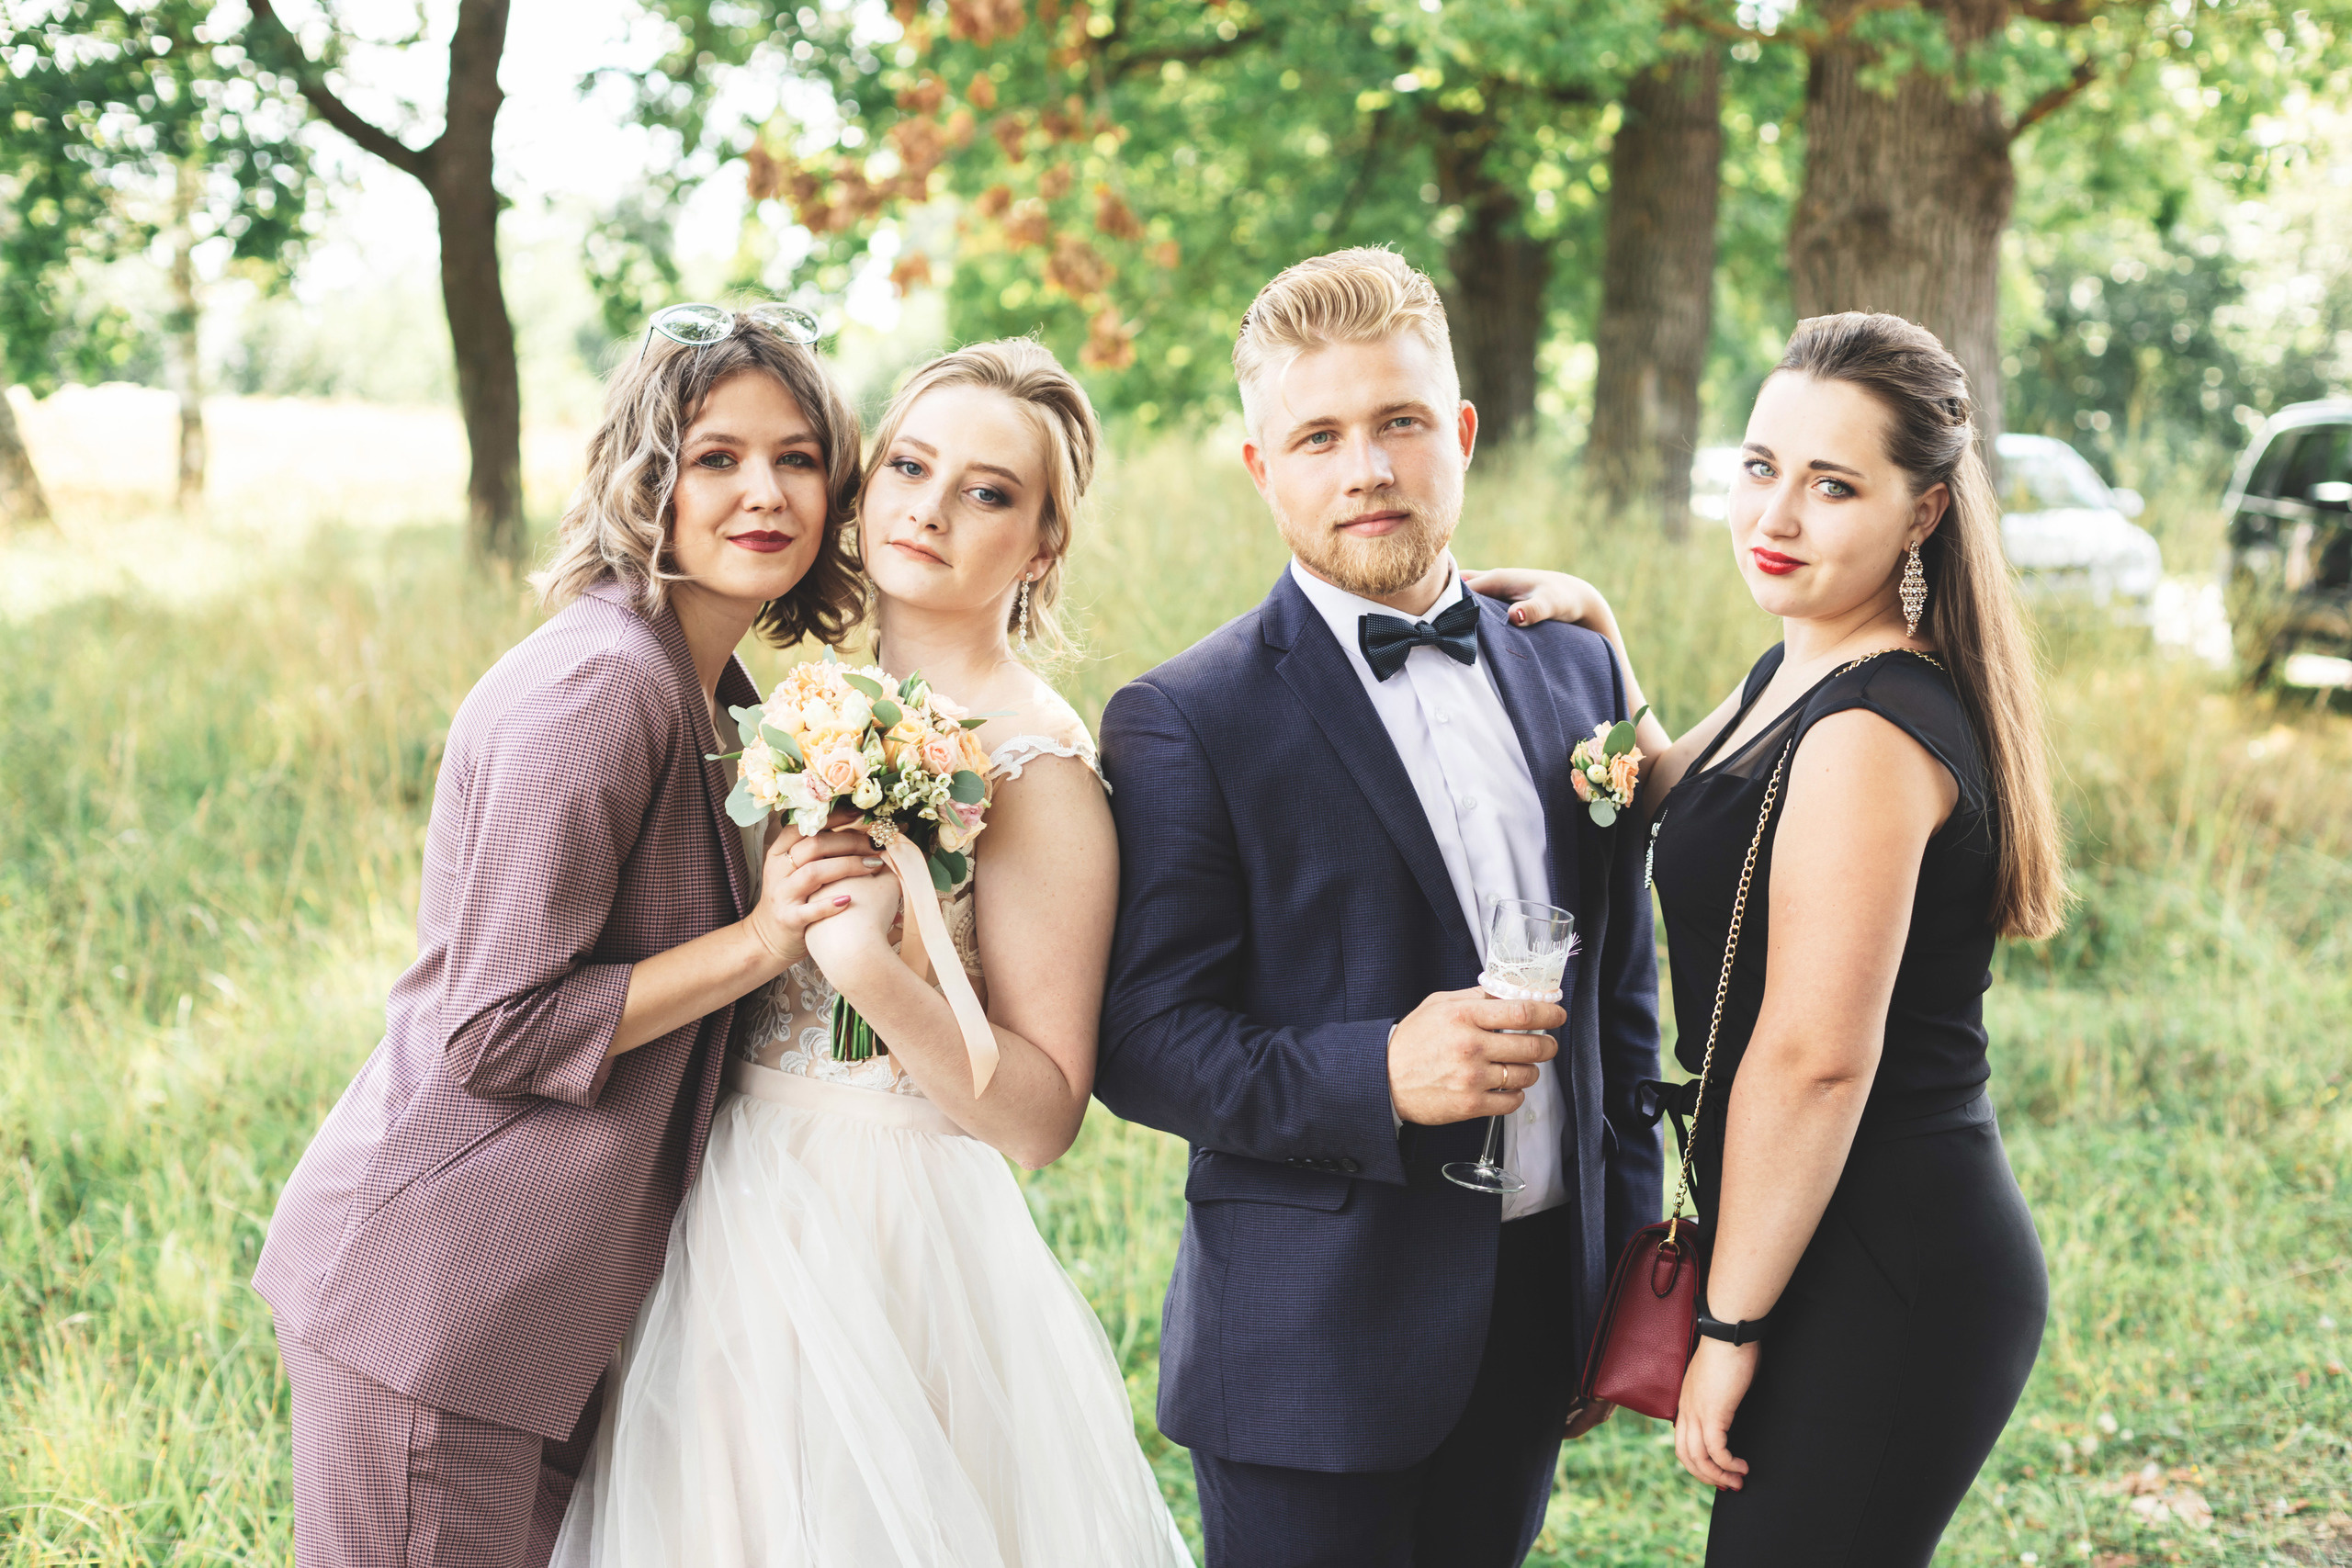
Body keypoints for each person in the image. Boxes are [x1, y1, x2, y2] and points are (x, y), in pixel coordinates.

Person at [253, 306, 887, 1567]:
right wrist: (764, 941)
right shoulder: (601, 684)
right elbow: (491, 1030)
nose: (763, 491)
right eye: (716, 458)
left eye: (798, 457)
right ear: (648, 480)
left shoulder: (716, 689)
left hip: (541, 1317)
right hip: (438, 1307)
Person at [552, 339, 1191, 1567]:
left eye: (989, 491)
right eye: (909, 465)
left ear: (1044, 540)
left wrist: (872, 977)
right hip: (729, 1206)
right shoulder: (811, 702)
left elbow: (1043, 1117)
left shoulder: (1038, 769)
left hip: (893, 1232)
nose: (931, 509)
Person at [1093, 248, 1665, 1568]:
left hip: (1536, 1312)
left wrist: (1615, 1262)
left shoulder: (1572, 657)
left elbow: (1624, 993)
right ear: (1263, 469)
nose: (1368, 469)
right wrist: (1382, 1070)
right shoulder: (1189, 717)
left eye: (1400, 422)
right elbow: (1141, 1040)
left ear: (1457, 435)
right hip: (1311, 1353)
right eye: (1321, 435)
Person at [1470, 310, 2063, 1566]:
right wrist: (1604, 638)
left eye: (1833, 484)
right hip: (1819, 1230)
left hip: (1887, 1253)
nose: (1775, 516)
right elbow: (1682, 801)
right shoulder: (1799, 671)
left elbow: (1814, 1060)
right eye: (1759, 467)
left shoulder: (1868, 730)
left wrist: (1728, 1332)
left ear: (1922, 516)